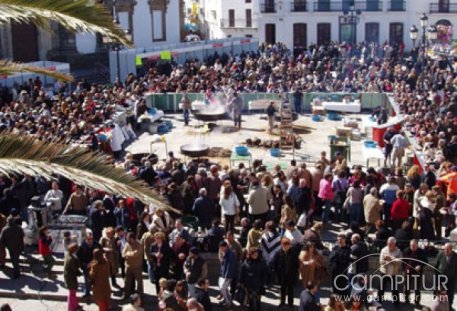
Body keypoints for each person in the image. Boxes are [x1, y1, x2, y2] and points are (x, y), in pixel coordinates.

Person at [239, 247, 267, 311]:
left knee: (258, 301)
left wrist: (264, 283)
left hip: (258, 285)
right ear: (250, 254)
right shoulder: (246, 262)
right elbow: (242, 273)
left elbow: (264, 273)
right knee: (251, 300)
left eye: (256, 254)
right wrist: (241, 282)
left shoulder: (261, 262)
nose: (255, 255)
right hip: (249, 285)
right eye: (253, 254)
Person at [275, 237, 299, 308]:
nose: (286, 247)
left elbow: (296, 264)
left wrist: (295, 273)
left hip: (291, 274)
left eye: (287, 245)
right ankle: (282, 302)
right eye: (285, 245)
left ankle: (290, 304)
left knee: (290, 290)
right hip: (282, 275)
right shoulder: (278, 253)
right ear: (282, 245)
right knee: (282, 290)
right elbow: (275, 263)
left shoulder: (293, 252)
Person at [378, 237, 402, 306]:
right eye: (388, 243)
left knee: (394, 289)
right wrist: (388, 261)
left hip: (393, 273)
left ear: (394, 244)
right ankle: (379, 301)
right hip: (384, 272)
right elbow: (381, 261)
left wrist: (391, 259)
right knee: (381, 288)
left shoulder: (398, 251)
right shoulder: (384, 250)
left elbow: (400, 262)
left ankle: (396, 303)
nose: (389, 245)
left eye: (391, 244)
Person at [403, 239, 427, 304]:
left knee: (417, 288)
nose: (412, 247)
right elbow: (403, 261)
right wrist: (404, 270)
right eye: (411, 245)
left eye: (414, 245)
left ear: (417, 245)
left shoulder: (421, 252)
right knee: (406, 287)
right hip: (408, 272)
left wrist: (420, 266)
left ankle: (417, 301)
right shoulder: (406, 251)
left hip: (417, 272)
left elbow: (425, 261)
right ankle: (406, 300)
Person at [77, 231, 101, 297]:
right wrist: (84, 265)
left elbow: (100, 253)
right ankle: (87, 292)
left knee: (96, 280)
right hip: (86, 266)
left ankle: (96, 293)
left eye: (91, 239)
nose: (90, 240)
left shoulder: (96, 244)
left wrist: (96, 262)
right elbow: (79, 257)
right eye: (89, 239)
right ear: (85, 239)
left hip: (95, 265)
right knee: (87, 280)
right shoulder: (82, 246)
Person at [435, 242, 457, 310]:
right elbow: (436, 266)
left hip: (451, 279)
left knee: (450, 295)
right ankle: (439, 307)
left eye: (447, 249)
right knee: (439, 294)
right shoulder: (440, 254)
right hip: (441, 279)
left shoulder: (455, 256)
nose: (446, 251)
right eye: (445, 249)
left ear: (451, 249)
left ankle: (449, 307)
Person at [122, 232, 144, 299]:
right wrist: (129, 254)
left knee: (139, 282)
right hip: (128, 266)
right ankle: (126, 295)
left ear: (131, 238)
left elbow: (136, 254)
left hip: (137, 267)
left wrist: (127, 254)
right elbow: (123, 254)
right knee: (127, 281)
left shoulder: (139, 245)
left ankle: (140, 297)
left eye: (127, 238)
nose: (126, 239)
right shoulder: (127, 244)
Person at [218, 241, 237, 307]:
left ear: (226, 246)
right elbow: (222, 264)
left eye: (222, 248)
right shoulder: (225, 253)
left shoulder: (230, 254)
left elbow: (230, 266)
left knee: (222, 288)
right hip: (223, 273)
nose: (221, 249)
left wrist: (226, 276)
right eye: (220, 248)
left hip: (227, 275)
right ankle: (228, 299)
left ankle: (227, 301)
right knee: (224, 288)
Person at [64, 243, 82, 311]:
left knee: (73, 293)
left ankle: (75, 305)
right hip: (70, 278)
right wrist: (78, 261)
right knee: (72, 293)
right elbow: (75, 267)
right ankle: (71, 308)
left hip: (69, 276)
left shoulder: (68, 254)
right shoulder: (71, 259)